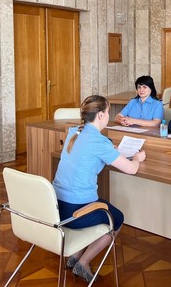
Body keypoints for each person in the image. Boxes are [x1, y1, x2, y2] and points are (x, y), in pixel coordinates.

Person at [52, 95, 146, 282]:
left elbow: (88, 152)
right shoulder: (99, 142)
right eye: (108, 112)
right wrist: (137, 158)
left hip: (55, 206)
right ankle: (83, 262)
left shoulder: (73, 132)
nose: (108, 116)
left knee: (100, 204)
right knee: (117, 219)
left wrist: (110, 149)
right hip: (75, 212)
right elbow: (132, 169)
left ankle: (75, 255)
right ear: (101, 115)